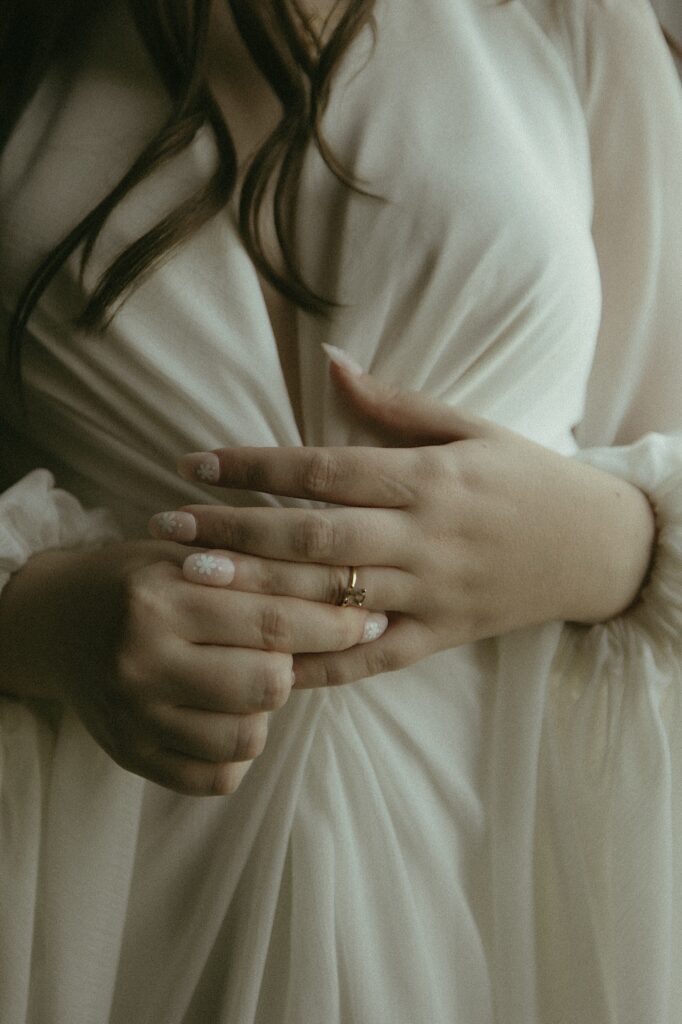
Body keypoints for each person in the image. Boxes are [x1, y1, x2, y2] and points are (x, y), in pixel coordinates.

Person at [1, 0, 681, 1020]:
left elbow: (663, 411)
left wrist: (615, 543)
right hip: (110, 885)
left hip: (509, 872)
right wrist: (44, 624)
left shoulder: (570, 20)